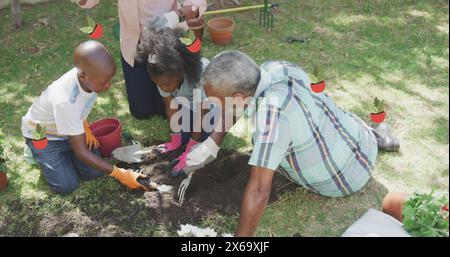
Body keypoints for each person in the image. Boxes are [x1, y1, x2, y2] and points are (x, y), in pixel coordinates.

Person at [182, 50, 401, 236]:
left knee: (264, 163)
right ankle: (379, 135)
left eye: (218, 102)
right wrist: (212, 143)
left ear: (238, 97)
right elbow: (236, 106)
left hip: (341, 180)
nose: (217, 107)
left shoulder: (272, 117)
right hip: (359, 142)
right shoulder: (276, 68)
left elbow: (259, 190)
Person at [21, 41, 150, 194]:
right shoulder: (66, 101)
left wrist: (86, 127)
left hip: (67, 128)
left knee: (94, 173)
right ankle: (38, 152)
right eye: (104, 82)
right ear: (83, 76)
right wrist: (121, 174)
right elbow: (82, 151)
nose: (108, 85)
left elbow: (81, 108)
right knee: (67, 185)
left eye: (110, 79)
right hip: (44, 137)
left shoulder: (91, 77)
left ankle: (67, 154)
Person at [74, 0, 208, 119]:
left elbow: (198, 3)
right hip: (133, 46)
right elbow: (86, 3)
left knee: (172, 110)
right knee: (141, 112)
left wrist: (175, 16)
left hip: (168, 45)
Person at [136, 20, 217, 177]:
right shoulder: (162, 76)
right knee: (184, 137)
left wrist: (191, 148)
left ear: (180, 71)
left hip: (211, 107)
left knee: (203, 140)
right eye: (158, 84)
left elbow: (203, 113)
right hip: (190, 106)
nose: (163, 87)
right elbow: (170, 106)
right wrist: (175, 138)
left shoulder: (199, 77)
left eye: (166, 84)